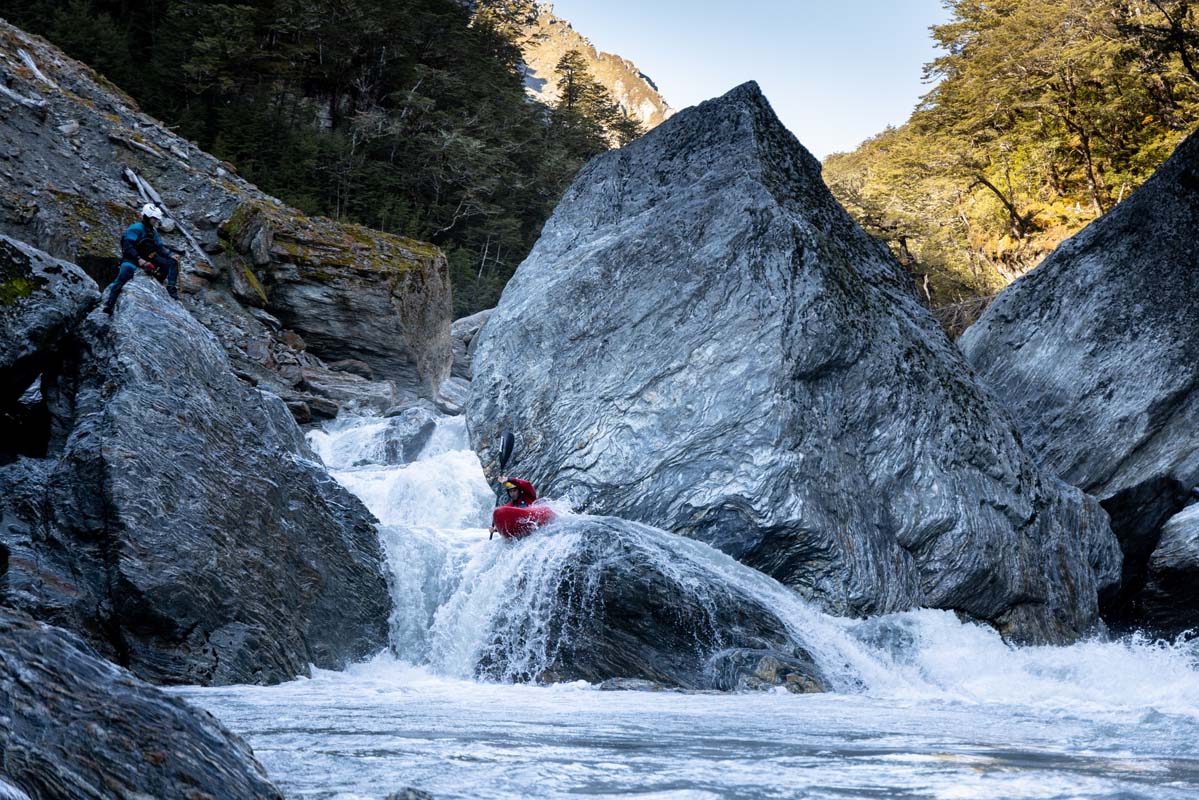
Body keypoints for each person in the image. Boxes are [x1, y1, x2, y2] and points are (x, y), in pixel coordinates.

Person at [103, 203, 179, 314]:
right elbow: (127, 246)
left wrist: (170, 255)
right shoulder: (136, 229)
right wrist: (139, 259)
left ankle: (170, 288)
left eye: (157, 219)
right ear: (147, 217)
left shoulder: (153, 231)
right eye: (154, 219)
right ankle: (109, 305)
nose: (156, 221)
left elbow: (159, 247)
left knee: (170, 263)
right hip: (132, 258)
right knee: (124, 275)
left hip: (148, 257)